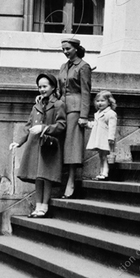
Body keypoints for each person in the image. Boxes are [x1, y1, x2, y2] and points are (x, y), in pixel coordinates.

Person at [15, 74, 66, 218]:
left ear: (53, 87)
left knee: (46, 176)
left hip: (49, 145)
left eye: (45, 86)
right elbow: (28, 125)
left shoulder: (58, 104)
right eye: (40, 87)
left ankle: (44, 206)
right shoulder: (37, 105)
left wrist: (44, 128)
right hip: (35, 145)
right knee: (37, 177)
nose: (42, 89)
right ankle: (38, 206)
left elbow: (61, 125)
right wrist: (19, 142)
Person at [58, 38, 92, 199]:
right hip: (62, 108)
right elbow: (59, 90)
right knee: (62, 145)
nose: (65, 52)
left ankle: (71, 182)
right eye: (63, 49)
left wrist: (84, 115)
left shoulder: (84, 67)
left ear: (76, 49)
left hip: (76, 109)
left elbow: (86, 92)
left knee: (72, 146)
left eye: (68, 49)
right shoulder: (63, 67)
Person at [86, 91, 118, 181]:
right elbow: (96, 124)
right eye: (98, 101)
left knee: (105, 156)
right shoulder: (98, 113)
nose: (100, 103)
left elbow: (112, 127)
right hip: (99, 138)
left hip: (106, 138)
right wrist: (87, 124)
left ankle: (105, 173)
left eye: (102, 101)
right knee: (101, 156)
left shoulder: (111, 113)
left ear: (109, 102)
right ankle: (102, 172)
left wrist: (111, 138)